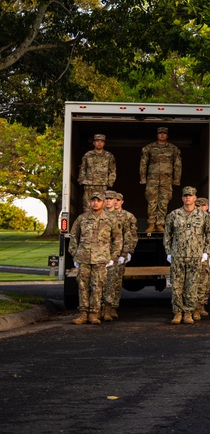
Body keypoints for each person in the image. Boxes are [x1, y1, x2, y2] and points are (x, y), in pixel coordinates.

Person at [68, 192, 123, 325]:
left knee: (97, 286)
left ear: (103, 203)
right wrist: (75, 254)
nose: (95, 203)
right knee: (83, 286)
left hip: (101, 259)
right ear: (90, 202)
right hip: (84, 258)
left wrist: (112, 257)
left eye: (98, 200)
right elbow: (74, 236)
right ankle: (83, 314)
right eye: (93, 200)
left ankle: (94, 313)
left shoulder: (110, 220)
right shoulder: (82, 218)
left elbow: (117, 239)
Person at [163, 186, 210, 325]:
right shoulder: (174, 215)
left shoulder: (203, 216)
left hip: (195, 256)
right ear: (182, 198)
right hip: (178, 255)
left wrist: (206, 252)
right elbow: (167, 235)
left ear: (195, 198)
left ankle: (188, 312)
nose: (187, 198)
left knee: (192, 285)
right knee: (177, 286)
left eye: (190, 195)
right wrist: (168, 252)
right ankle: (177, 312)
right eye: (185, 196)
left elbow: (209, 235)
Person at [101, 191, 138, 321]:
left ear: (121, 201)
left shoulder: (126, 217)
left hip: (118, 253)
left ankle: (112, 307)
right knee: (101, 282)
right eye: (110, 199)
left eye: (116, 199)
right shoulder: (100, 215)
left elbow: (130, 236)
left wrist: (127, 252)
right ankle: (100, 308)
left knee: (115, 282)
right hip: (101, 254)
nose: (114, 202)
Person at [139, 126, 182, 233]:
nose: (162, 135)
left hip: (166, 180)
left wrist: (176, 179)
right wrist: (143, 178)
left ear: (167, 135)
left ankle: (160, 224)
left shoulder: (173, 149)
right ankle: (151, 224)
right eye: (160, 133)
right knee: (151, 201)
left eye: (164, 133)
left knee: (164, 202)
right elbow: (143, 163)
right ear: (157, 135)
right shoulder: (149, 148)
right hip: (152, 179)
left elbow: (177, 165)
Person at [78, 133, 116, 202]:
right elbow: (82, 169)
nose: (99, 143)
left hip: (102, 185)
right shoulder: (88, 155)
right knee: (88, 204)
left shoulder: (109, 156)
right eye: (97, 141)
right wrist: (82, 181)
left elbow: (112, 170)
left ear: (104, 143)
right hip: (89, 185)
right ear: (94, 143)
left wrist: (110, 182)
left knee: (102, 204)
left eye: (101, 141)